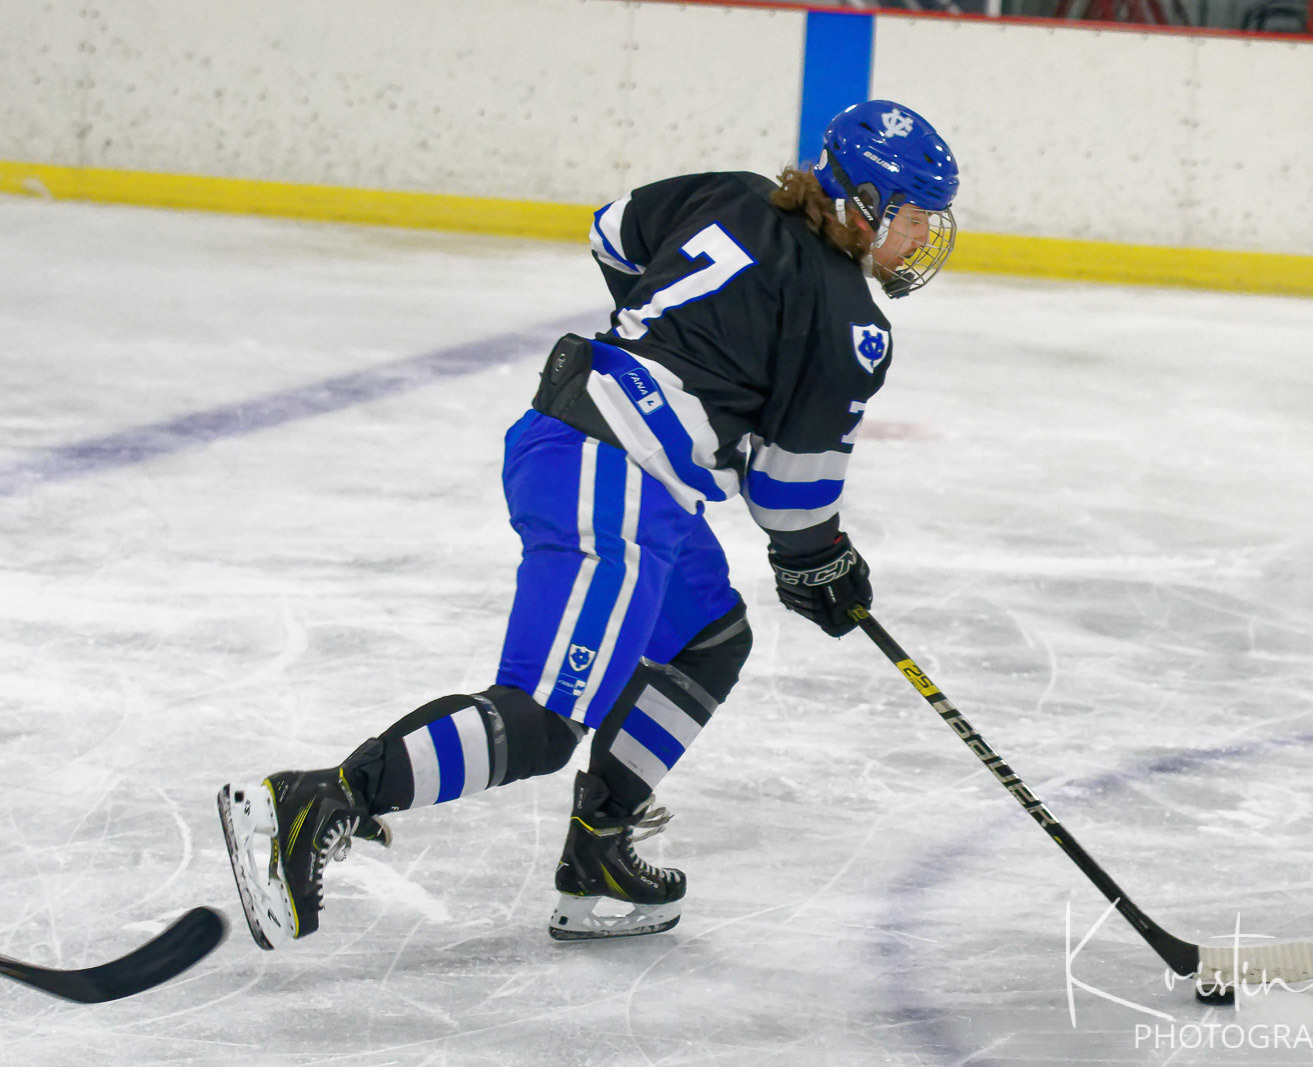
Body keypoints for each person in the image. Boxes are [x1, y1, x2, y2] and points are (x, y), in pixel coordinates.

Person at [217, 99, 960, 947]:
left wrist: (681, 343)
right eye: (915, 219)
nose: (922, 240)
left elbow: (613, 233)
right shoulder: (851, 322)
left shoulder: (731, 192)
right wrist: (821, 560)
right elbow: (791, 498)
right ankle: (316, 802)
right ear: (866, 204)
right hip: (615, 478)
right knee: (540, 722)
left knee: (709, 639)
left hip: (583, 442)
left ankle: (600, 851)